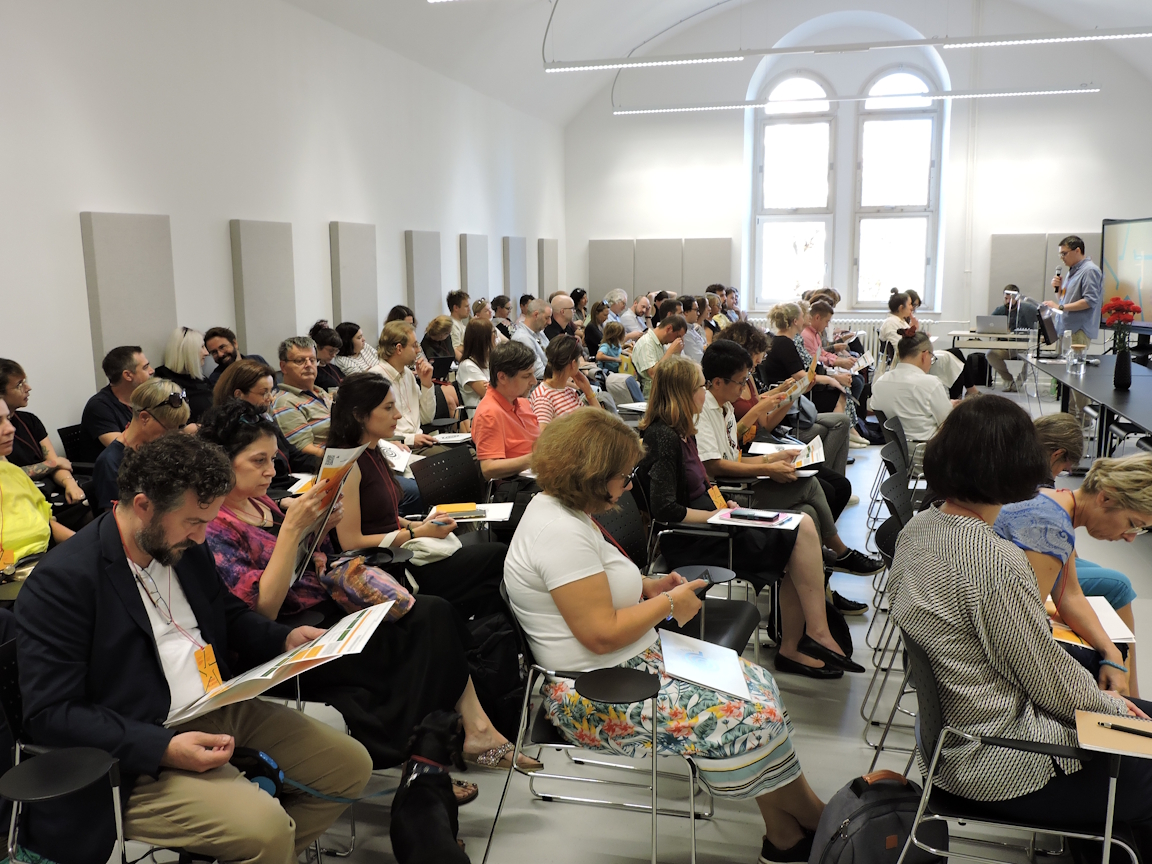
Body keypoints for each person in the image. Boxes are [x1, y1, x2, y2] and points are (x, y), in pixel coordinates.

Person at [13, 433, 372, 864]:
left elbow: (226, 615)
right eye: (193, 522)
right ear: (143, 505)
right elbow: (52, 713)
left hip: (214, 703)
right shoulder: (64, 582)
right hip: (136, 745)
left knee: (350, 766)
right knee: (264, 831)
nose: (202, 537)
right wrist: (161, 747)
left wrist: (282, 638)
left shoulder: (180, 546)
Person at [504, 409, 828, 863]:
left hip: (627, 660)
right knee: (746, 714)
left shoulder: (563, 509)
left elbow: (595, 583)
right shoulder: (558, 532)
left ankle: (786, 835)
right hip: (593, 690)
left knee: (758, 686)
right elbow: (600, 635)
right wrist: (669, 604)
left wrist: (649, 586)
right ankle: (820, 822)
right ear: (591, 477)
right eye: (623, 476)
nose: (628, 486)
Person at [199, 400, 531, 775]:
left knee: (432, 613)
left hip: (324, 602)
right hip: (292, 632)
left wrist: (318, 530)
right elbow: (263, 611)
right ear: (222, 462)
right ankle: (437, 749)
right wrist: (293, 530)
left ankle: (467, 733)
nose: (271, 471)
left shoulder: (260, 503)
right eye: (258, 461)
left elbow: (303, 563)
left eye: (273, 459)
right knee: (424, 626)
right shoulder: (215, 526)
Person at [888, 396, 1152, 862]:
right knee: (1140, 749)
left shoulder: (921, 528)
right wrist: (1116, 709)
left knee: (1130, 716)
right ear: (1020, 467)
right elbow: (1045, 678)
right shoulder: (994, 561)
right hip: (998, 760)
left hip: (954, 737)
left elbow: (1034, 661)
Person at [637, 357, 863, 680]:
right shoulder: (663, 437)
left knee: (803, 525)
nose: (704, 391)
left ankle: (807, 638)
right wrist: (716, 515)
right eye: (700, 386)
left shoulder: (683, 432)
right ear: (684, 393)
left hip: (716, 522)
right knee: (799, 532)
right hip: (696, 538)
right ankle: (809, 638)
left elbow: (703, 484)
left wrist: (723, 505)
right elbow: (665, 510)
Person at [330, 374, 509, 619]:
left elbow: (384, 517)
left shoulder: (373, 450)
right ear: (359, 415)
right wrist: (417, 533)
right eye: (388, 408)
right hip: (389, 567)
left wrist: (418, 524)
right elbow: (351, 542)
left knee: (491, 571)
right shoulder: (348, 464)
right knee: (496, 556)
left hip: (401, 551)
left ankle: (484, 631)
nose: (398, 415)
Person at [696, 341, 882, 577]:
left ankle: (821, 574)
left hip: (739, 482)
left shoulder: (726, 407)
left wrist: (774, 458)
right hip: (729, 494)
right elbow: (715, 466)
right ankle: (840, 554)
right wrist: (769, 468)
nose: (743, 387)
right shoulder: (704, 411)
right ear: (718, 382)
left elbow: (733, 457)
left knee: (808, 511)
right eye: (740, 382)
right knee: (810, 486)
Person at [995, 451, 1152, 698]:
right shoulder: (1050, 527)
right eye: (1133, 523)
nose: (1130, 537)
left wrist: (1111, 654)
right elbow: (1022, 630)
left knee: (1115, 653)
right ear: (1106, 497)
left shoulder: (1054, 504)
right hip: (993, 654)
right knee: (1108, 663)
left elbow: (1070, 595)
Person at [92, 378, 191, 510]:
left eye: (179, 427)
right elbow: (114, 517)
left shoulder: (160, 451)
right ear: (145, 418)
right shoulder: (110, 463)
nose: (173, 436)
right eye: (168, 428)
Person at [0, 359, 85, 505]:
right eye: (19, 385)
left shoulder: (30, 420)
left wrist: (70, 484)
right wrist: (52, 464)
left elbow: (58, 464)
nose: (28, 388)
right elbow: (9, 474)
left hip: (47, 489)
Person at [214, 358, 319, 477]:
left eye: (271, 391)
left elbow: (295, 456)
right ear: (239, 395)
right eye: (263, 393)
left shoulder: (264, 419)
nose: (270, 398)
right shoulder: (231, 430)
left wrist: (324, 464)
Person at [1, 399, 73, 566]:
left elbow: (47, 524)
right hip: (15, 571)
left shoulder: (12, 472)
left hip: (42, 561)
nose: (11, 429)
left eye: (7, 419)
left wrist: (87, 546)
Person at [869, 333, 954, 471]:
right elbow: (949, 424)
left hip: (896, 458)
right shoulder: (930, 383)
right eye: (932, 357)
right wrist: (953, 408)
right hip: (928, 458)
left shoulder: (880, 382)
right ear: (924, 355)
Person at [1044, 235, 1104, 417]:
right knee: (1067, 378)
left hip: (1078, 331)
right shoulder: (1072, 271)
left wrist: (1060, 306)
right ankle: (1069, 418)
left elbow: (1090, 301)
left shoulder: (1090, 271)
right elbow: (1065, 301)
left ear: (1077, 250)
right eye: (1060, 254)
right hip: (1066, 329)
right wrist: (1059, 289)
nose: (1062, 258)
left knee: (1077, 379)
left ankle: (1085, 420)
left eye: (1064, 253)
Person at [761, 304, 848, 416]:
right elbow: (801, 376)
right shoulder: (785, 344)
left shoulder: (781, 341)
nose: (806, 319)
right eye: (802, 316)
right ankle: (837, 424)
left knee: (837, 391)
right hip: (789, 396)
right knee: (839, 394)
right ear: (795, 321)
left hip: (791, 391)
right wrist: (829, 379)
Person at [472, 341, 541, 481]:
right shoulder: (490, 413)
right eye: (526, 376)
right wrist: (537, 458)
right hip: (519, 483)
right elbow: (488, 469)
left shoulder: (522, 402)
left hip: (536, 473)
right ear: (502, 377)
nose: (534, 381)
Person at [270, 336, 333, 460]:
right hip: (324, 464)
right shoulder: (285, 402)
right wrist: (344, 458)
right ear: (283, 367)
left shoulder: (322, 393)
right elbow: (305, 449)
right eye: (300, 361)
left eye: (313, 360)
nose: (308, 365)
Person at [82, 345, 154, 449]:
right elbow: (121, 449)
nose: (152, 371)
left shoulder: (145, 399)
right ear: (128, 375)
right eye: (145, 367)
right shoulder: (99, 406)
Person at [529, 335, 601, 427]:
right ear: (573, 364)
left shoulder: (569, 392)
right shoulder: (543, 397)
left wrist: (588, 391)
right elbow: (542, 434)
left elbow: (600, 421)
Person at [154, 326, 213, 423]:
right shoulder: (165, 387)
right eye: (202, 347)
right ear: (188, 352)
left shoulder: (202, 380)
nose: (206, 353)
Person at [987, 286, 1040, 391]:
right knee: (990, 354)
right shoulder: (1000, 310)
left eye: (1011, 299)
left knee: (1031, 356)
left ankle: (1019, 382)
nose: (1008, 301)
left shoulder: (1029, 310)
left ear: (1017, 298)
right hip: (1005, 347)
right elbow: (989, 324)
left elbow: (1040, 324)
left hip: (1024, 347)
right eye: (1006, 298)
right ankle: (1008, 379)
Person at [630, 313, 687, 397]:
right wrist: (670, 352)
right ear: (669, 329)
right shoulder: (646, 343)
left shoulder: (660, 344)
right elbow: (654, 374)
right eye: (677, 336)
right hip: (652, 397)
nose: (677, 340)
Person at [457, 317, 495, 411]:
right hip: (482, 415)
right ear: (483, 339)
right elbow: (490, 395)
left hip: (495, 411)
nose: (496, 337)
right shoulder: (467, 366)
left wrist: (493, 385)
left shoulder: (490, 360)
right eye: (493, 333)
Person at [511, 298, 551, 379]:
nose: (550, 322)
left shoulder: (540, 332)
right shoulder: (522, 338)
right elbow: (538, 373)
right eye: (547, 318)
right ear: (536, 315)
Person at [308, 321, 345, 391]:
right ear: (317, 346)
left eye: (336, 351)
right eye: (331, 351)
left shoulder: (335, 368)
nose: (333, 355)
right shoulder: (311, 372)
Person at [679, 296, 707, 363]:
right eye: (696, 310)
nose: (698, 313)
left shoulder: (693, 328)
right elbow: (698, 359)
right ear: (686, 312)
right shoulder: (685, 333)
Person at [447, 290, 470, 360]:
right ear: (456, 308)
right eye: (466, 306)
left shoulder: (460, 323)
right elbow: (455, 349)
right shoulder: (453, 325)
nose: (469, 309)